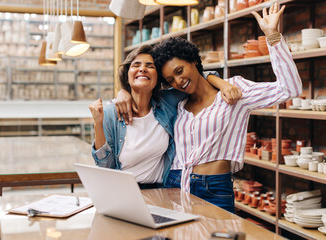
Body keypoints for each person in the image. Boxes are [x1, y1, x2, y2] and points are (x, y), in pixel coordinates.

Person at [116, 3, 302, 212]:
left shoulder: (234, 91)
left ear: (194, 61)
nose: (178, 81)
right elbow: (143, 93)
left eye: (180, 70)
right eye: (170, 79)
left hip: (214, 187)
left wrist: (273, 37)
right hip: (174, 184)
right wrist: (122, 92)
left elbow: (290, 88)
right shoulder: (176, 102)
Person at [89, 45, 242, 189]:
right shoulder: (111, 112)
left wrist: (223, 84)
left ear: (158, 79)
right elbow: (104, 166)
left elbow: (197, 78)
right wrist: (98, 124)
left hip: (160, 191)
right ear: (127, 75)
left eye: (150, 66)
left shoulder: (167, 103)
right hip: (122, 191)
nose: (142, 69)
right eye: (136, 65)